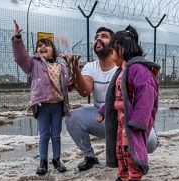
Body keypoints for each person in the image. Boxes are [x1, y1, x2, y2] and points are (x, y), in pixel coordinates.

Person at [65, 27, 157, 172]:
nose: (98, 39)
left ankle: (135, 161)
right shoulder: (91, 66)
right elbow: (86, 92)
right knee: (72, 117)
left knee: (150, 143)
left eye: (104, 36)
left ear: (115, 44)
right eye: (96, 37)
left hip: (127, 117)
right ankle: (90, 157)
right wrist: (75, 69)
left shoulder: (129, 67)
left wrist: (139, 121)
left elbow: (144, 97)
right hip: (102, 117)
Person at [98, 26, 160, 181]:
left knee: (132, 150)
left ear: (121, 49)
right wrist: (104, 110)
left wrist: (139, 120)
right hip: (120, 119)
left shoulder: (139, 70)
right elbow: (113, 96)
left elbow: (146, 96)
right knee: (121, 150)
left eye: (112, 53)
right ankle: (124, 177)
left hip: (132, 121)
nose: (111, 56)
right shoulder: (122, 71)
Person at [12, 20, 72, 175]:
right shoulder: (34, 64)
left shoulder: (62, 67)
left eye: (47, 45)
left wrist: (70, 64)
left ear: (54, 50)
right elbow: (21, 58)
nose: (43, 47)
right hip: (42, 105)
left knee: (56, 135)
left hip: (58, 106)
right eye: (40, 45)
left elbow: (69, 85)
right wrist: (18, 39)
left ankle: (57, 159)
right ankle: (43, 162)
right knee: (44, 135)